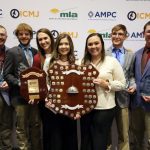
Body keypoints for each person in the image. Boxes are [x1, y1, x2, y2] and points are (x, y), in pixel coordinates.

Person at [80, 33, 126, 150]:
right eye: (90, 44)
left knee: (99, 142)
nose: (93, 46)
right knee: (86, 142)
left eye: (96, 43)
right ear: (86, 47)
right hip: (85, 109)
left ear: (102, 44)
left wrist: (107, 84)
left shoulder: (112, 61)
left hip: (104, 109)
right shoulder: (82, 62)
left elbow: (122, 84)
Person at [3, 23, 42, 150]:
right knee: (21, 127)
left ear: (31, 36)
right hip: (19, 97)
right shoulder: (12, 52)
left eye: (27, 34)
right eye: (21, 34)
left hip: (35, 96)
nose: (24, 36)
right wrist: (20, 83)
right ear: (17, 36)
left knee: (35, 125)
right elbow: (7, 74)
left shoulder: (36, 52)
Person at [45, 33, 78, 150]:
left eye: (66, 44)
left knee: (70, 138)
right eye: (61, 44)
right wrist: (47, 98)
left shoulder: (76, 62)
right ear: (57, 46)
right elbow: (46, 83)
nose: (64, 47)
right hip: (53, 107)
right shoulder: (50, 61)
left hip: (71, 107)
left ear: (70, 46)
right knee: (55, 139)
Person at [106, 24, 136, 150]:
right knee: (106, 135)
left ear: (125, 36)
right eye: (114, 33)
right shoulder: (103, 52)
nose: (116, 36)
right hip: (106, 98)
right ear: (110, 35)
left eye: (120, 34)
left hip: (123, 100)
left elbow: (131, 75)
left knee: (124, 135)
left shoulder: (131, 54)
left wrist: (134, 85)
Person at [33, 28, 55, 150]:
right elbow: (33, 80)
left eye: (45, 38)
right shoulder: (37, 58)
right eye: (40, 39)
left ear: (51, 38)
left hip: (60, 99)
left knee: (59, 131)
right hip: (45, 102)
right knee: (47, 130)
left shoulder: (60, 55)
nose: (43, 41)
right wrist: (33, 95)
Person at [130, 21, 150, 150]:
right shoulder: (136, 54)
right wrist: (132, 85)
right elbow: (131, 75)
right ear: (143, 34)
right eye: (148, 31)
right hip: (136, 104)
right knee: (136, 142)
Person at [0, 25, 13, 150]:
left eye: (2, 35)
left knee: (6, 126)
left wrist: (10, 82)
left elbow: (15, 73)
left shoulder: (11, 52)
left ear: (6, 37)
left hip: (6, 95)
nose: (0, 37)